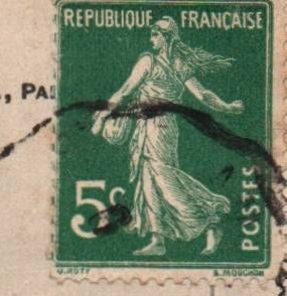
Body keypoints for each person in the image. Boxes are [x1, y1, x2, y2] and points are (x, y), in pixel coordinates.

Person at [91, 17, 244, 257]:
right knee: (150, 180)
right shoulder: (177, 64)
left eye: (155, 34)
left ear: (167, 37)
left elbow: (124, 91)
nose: (151, 39)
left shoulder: (149, 61)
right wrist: (227, 107)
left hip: (157, 128)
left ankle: (210, 216)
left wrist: (101, 118)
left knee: (163, 178)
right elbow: (203, 95)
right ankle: (159, 239)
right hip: (157, 127)